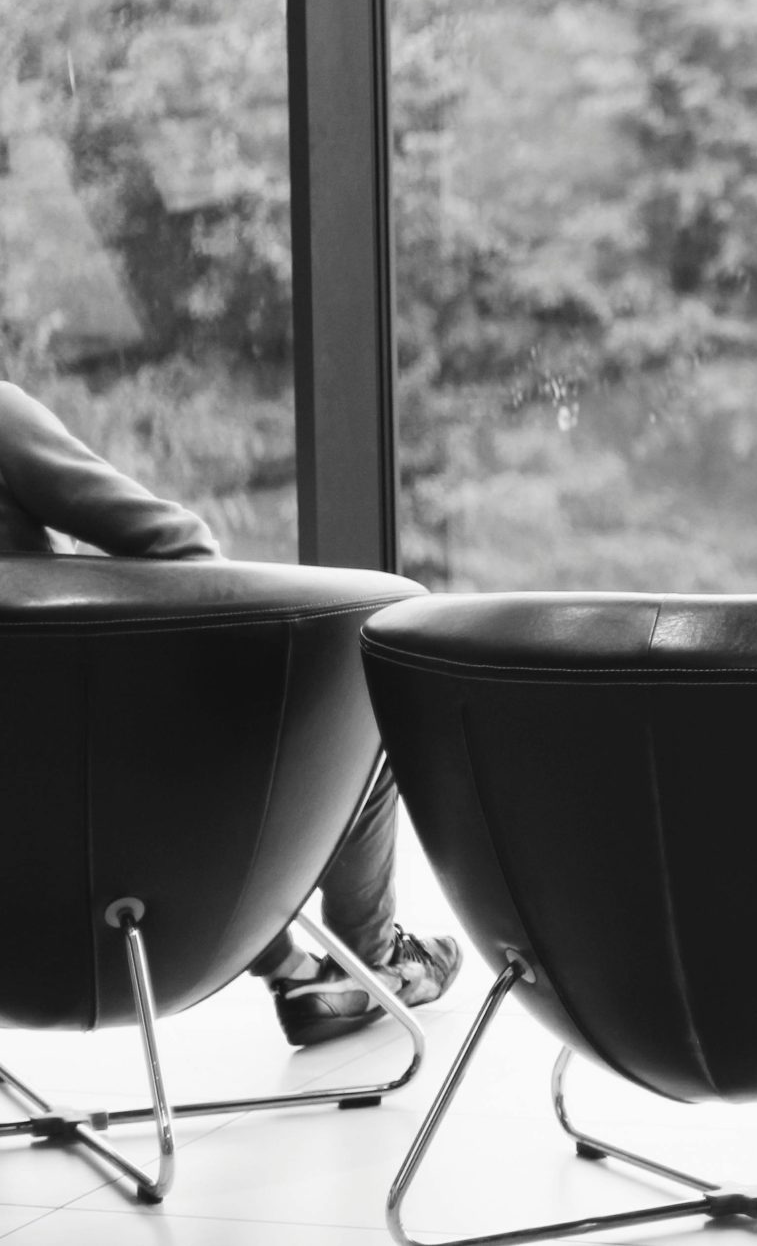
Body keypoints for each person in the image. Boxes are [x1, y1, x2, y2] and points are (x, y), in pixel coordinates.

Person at [0, 379, 460, 1047]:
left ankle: (296, 966)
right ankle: (369, 963)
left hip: (26, 885)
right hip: (109, 872)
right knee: (365, 693)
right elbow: (179, 545)